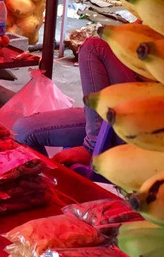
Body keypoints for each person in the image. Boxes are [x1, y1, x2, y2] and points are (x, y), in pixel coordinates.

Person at [12, 37, 141, 167]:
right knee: (22, 130)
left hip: (138, 124)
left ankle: (93, 146)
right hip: (110, 114)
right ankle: (48, 177)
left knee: (93, 47)